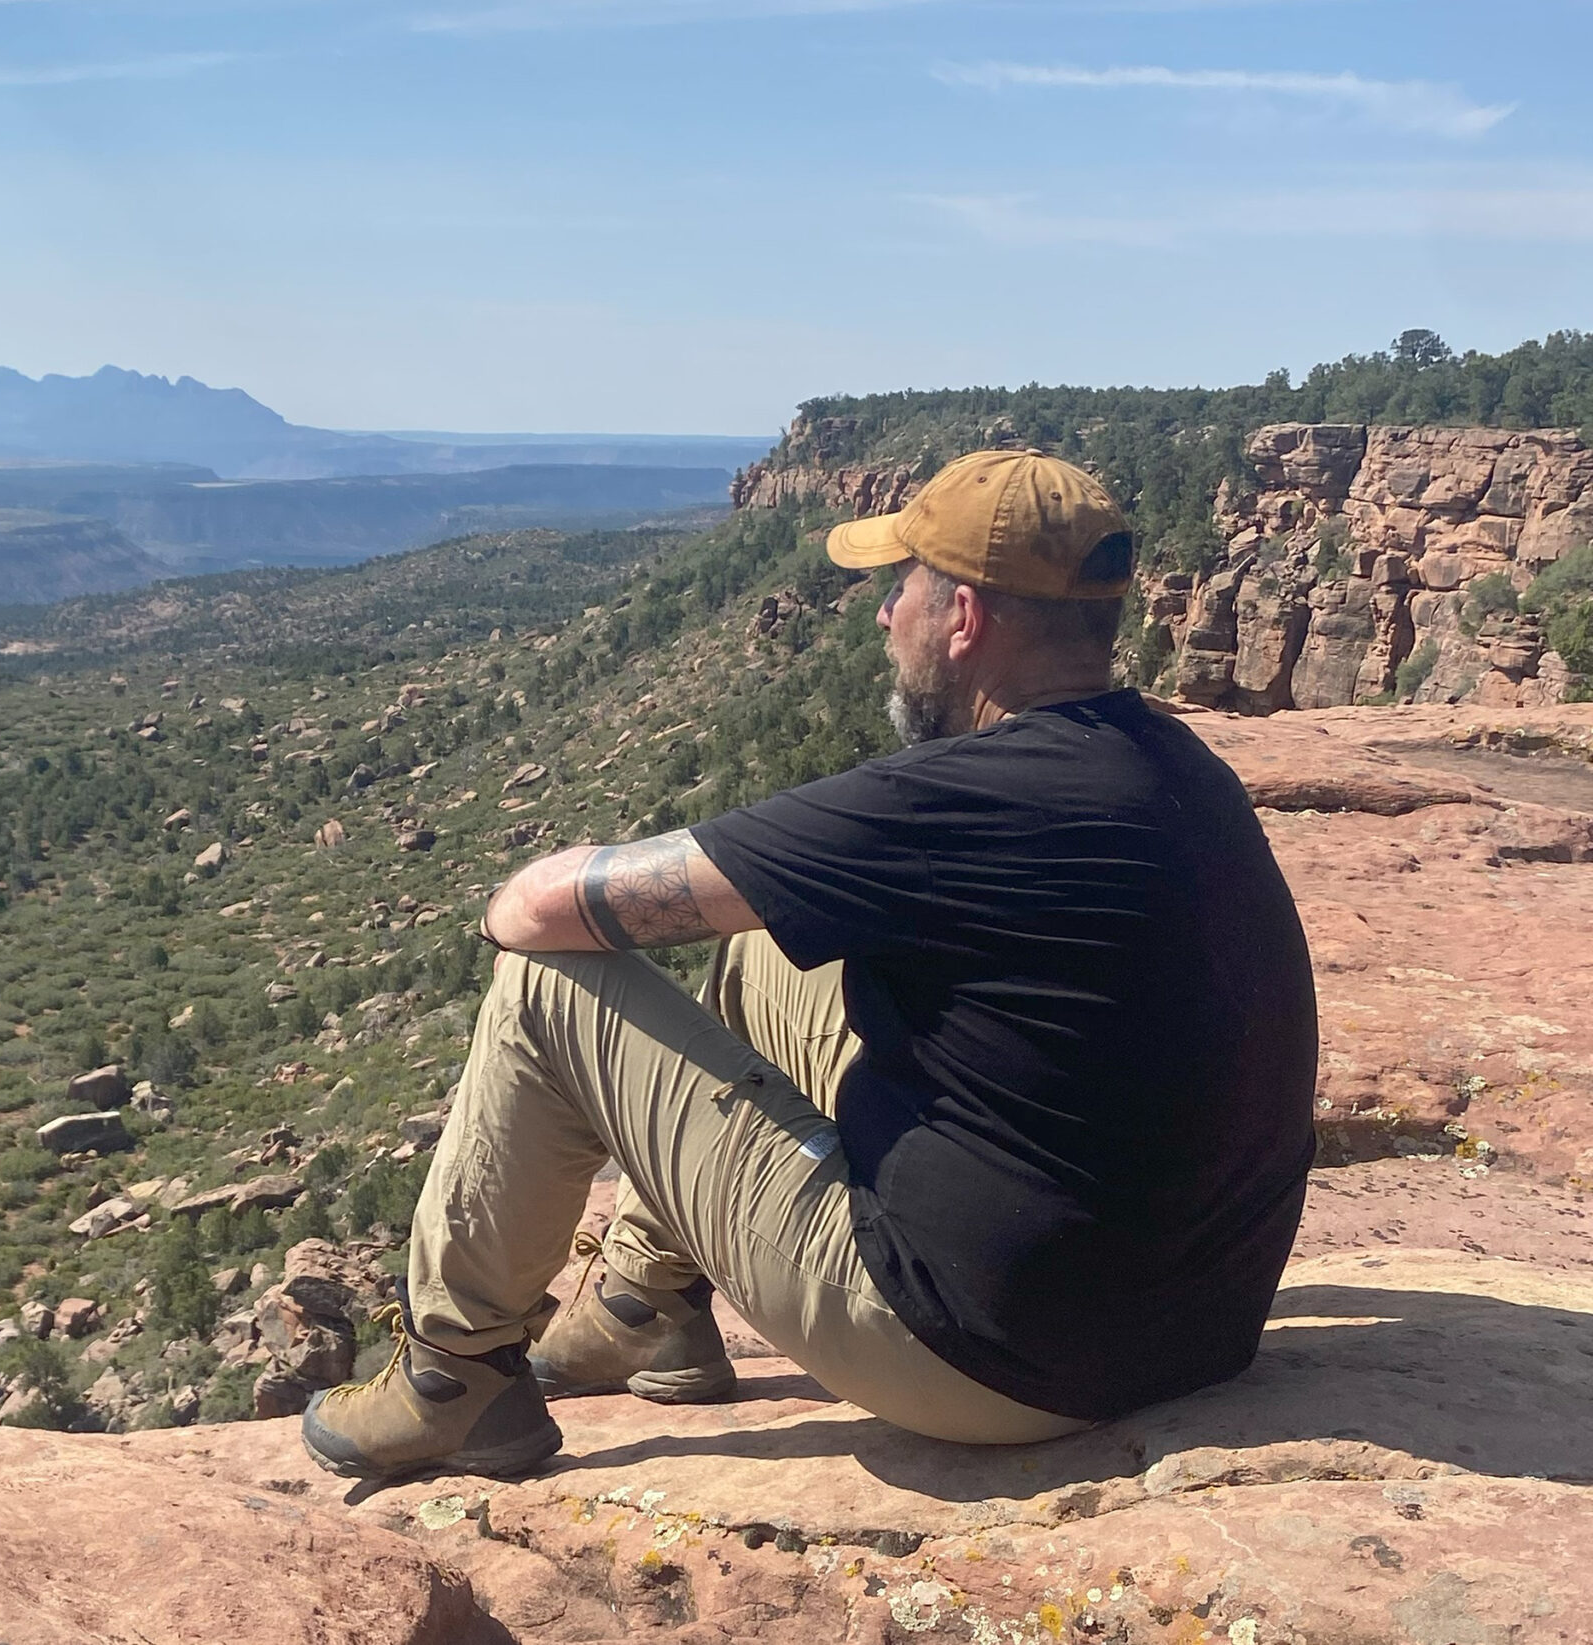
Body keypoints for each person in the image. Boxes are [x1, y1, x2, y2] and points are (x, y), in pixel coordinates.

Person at [300, 448, 1318, 1481]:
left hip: (981, 1362)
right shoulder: (1179, 764)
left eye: (900, 589)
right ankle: (639, 1305)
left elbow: (532, 910)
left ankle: (453, 1378)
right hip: (1198, 1331)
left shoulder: (949, 800)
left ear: (962, 619)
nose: (883, 617)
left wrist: (546, 882)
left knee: (546, 985)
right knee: (762, 944)